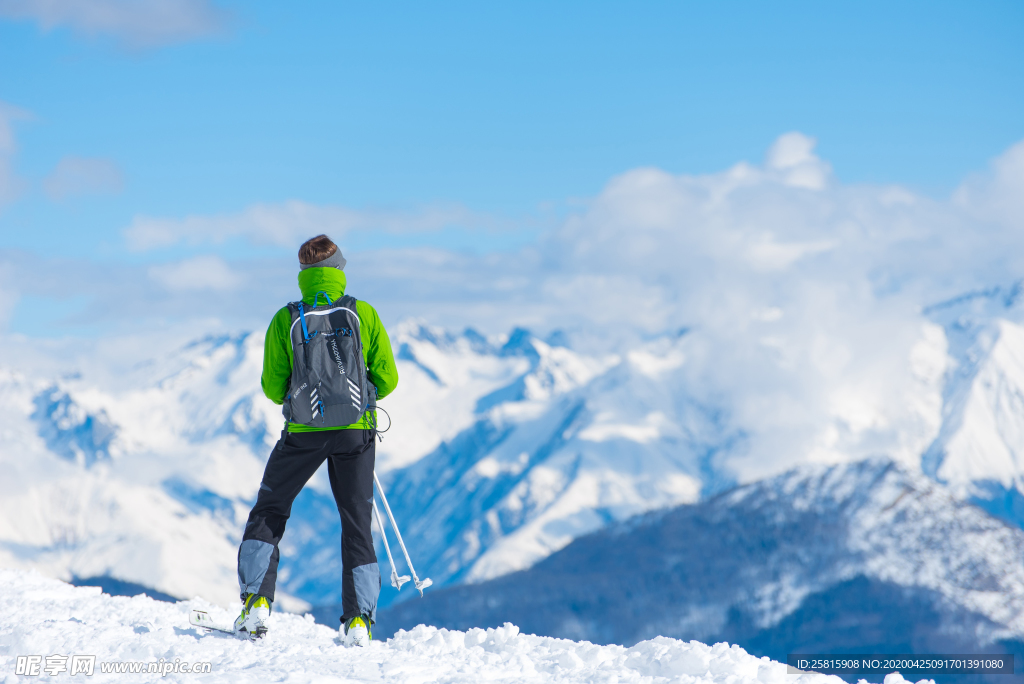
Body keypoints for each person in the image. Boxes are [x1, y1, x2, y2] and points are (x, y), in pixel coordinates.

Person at [233, 234, 399, 647]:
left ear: (303, 273)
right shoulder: (364, 314)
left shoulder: (286, 318)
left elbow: (273, 387)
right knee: (356, 521)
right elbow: (389, 378)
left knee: (271, 509)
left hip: (304, 433)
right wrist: (359, 398)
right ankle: (359, 621)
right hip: (355, 431)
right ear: (340, 269)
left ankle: (256, 602)